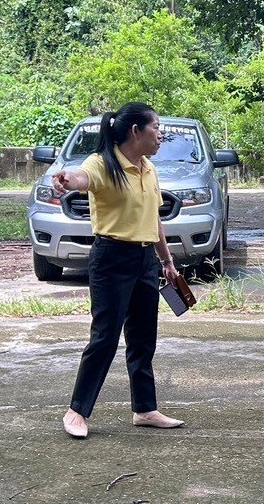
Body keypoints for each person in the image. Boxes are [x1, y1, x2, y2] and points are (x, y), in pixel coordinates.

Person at [50, 103, 186, 438]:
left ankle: (145, 409)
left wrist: (166, 261)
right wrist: (67, 181)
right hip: (111, 258)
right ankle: (76, 412)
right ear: (136, 131)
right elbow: (82, 179)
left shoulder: (148, 169)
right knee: (105, 337)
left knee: (143, 339)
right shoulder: (101, 163)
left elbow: (153, 220)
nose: (161, 133)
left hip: (144, 262)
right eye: (156, 126)